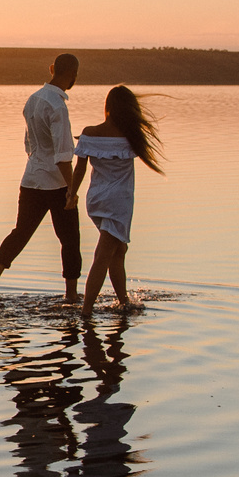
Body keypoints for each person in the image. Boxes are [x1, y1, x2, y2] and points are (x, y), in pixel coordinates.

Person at [0, 53, 82, 305]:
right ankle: (71, 295)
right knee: (70, 239)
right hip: (56, 183)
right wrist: (72, 190)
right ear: (73, 75)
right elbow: (63, 155)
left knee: (20, 232)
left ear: (52, 69)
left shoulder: (33, 100)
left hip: (31, 178)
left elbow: (29, 144)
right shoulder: (58, 107)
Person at [76, 85, 166, 313]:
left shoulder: (89, 133)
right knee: (103, 255)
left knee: (118, 251)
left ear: (107, 107)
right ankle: (86, 310)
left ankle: (123, 301)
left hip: (96, 199)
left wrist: (71, 194)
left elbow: (80, 169)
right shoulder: (130, 137)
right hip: (118, 203)